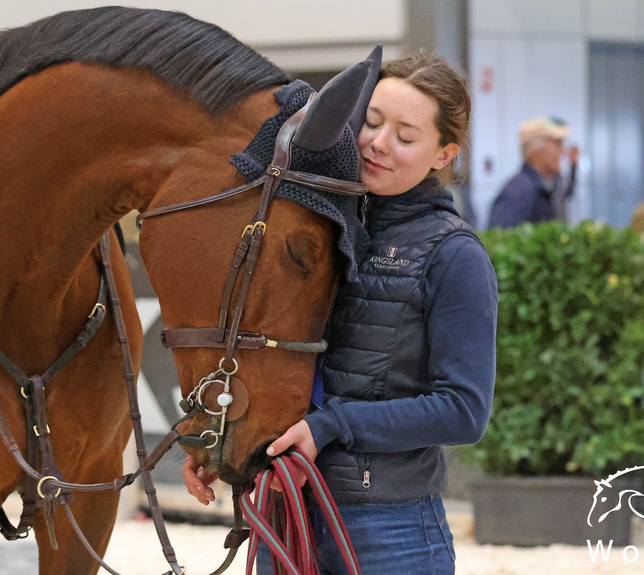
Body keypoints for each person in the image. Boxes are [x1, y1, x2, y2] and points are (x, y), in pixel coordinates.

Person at [184, 50, 498, 575]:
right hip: (286, 512)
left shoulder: (455, 255)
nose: (377, 143)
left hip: (390, 530)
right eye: (371, 122)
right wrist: (220, 440)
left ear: (444, 154)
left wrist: (333, 425)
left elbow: (465, 410)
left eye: (405, 135)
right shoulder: (321, 229)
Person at [487, 116, 580, 228]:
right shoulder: (518, 193)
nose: (563, 151)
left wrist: (573, 166)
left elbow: (566, 191)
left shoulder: (548, 185)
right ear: (535, 149)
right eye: (557, 144)